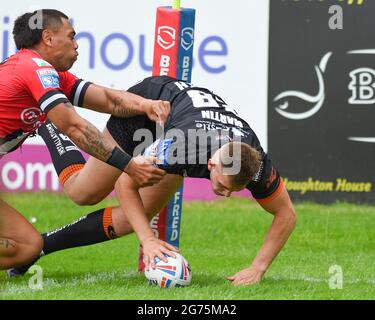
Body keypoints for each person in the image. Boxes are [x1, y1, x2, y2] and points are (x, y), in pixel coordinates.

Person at [8, 76, 297, 286]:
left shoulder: (254, 161)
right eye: (221, 186)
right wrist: (147, 239)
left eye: (233, 191)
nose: (224, 195)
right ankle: (47, 123)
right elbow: (125, 182)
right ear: (210, 164)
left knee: (136, 216)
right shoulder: (182, 148)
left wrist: (258, 268)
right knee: (83, 192)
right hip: (147, 110)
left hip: (183, 123)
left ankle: (39, 248)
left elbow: (286, 214)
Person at [0, 10, 172, 270]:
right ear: (47, 37)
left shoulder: (44, 72)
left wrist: (145, 104)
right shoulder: (34, 68)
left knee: (28, 248)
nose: (76, 44)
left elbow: (107, 99)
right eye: (70, 36)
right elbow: (75, 127)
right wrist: (129, 165)